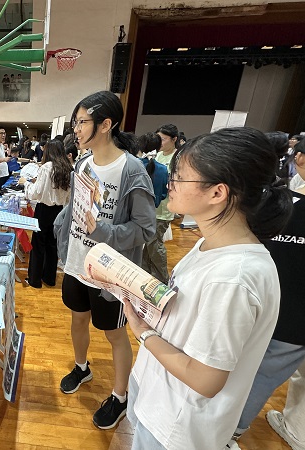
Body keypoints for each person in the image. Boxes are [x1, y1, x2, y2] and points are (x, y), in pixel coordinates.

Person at [123, 127, 293, 450]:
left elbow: (205, 379)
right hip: (159, 396)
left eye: (180, 176)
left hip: (177, 425)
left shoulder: (234, 277)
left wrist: (143, 333)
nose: (170, 182)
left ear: (217, 193)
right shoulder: (211, 244)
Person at [53, 91, 156, 430]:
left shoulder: (132, 170)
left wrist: (103, 231)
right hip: (76, 264)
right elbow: (75, 210)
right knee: (77, 320)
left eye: (81, 122)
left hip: (110, 274)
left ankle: (120, 396)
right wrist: (62, 234)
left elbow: (145, 229)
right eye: (75, 122)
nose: (76, 129)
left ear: (105, 124)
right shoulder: (83, 164)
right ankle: (82, 368)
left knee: (115, 334)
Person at [229, 138, 305, 449]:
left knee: (250, 373)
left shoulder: (276, 203)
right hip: (291, 318)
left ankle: (228, 431)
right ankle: (236, 432)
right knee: (266, 375)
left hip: (270, 311)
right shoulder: (282, 200)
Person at [18, 140, 72, 288]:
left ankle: (35, 280)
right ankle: (49, 278)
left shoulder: (46, 167)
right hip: (59, 210)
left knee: (38, 244)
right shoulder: (68, 168)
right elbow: (68, 195)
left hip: (43, 210)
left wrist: (26, 183)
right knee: (52, 245)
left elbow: (36, 192)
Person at [141, 123, 178, 284]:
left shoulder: (177, 158)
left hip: (162, 210)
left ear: (174, 139)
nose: (160, 142)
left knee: (154, 244)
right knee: (148, 245)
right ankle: (146, 275)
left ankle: (163, 280)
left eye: (163, 139)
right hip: (150, 208)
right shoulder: (158, 155)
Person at [137, 132, 168, 207]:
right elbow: (163, 194)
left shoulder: (132, 164)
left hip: (130, 208)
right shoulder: (163, 169)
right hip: (152, 209)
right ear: (159, 148)